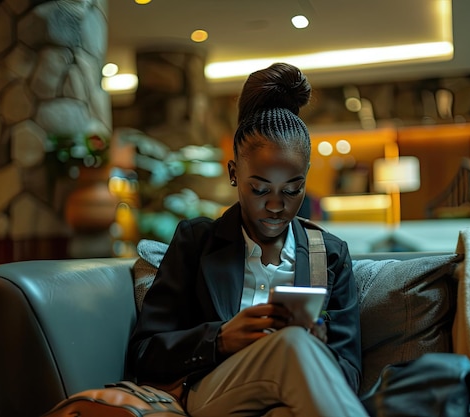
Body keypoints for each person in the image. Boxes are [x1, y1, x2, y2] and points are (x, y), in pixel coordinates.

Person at [126, 63, 368, 417]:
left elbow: (350, 373)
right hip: (214, 393)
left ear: (306, 180)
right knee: (289, 345)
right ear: (233, 174)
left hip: (293, 400)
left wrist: (319, 353)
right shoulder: (197, 241)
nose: (275, 205)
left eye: (292, 190)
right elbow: (144, 354)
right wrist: (219, 338)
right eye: (259, 189)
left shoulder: (328, 254)